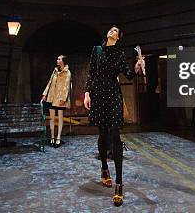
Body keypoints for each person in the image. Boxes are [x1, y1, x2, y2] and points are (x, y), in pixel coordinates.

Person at [84, 26, 143, 206]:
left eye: (116, 30)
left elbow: (129, 75)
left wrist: (137, 67)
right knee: (103, 133)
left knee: (116, 135)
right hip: (98, 94)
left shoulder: (119, 53)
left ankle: (119, 183)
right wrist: (87, 93)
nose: (112, 30)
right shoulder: (97, 50)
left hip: (113, 94)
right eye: (111, 29)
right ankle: (104, 168)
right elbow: (91, 72)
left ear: (118, 37)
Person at [41, 55, 71, 148]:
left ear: (63, 61)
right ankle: (52, 138)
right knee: (52, 118)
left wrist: (63, 99)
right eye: (57, 59)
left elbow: (67, 87)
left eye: (59, 59)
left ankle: (58, 138)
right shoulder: (55, 71)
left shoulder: (67, 72)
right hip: (52, 97)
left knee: (60, 117)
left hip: (60, 98)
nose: (57, 60)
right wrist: (45, 94)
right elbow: (50, 83)